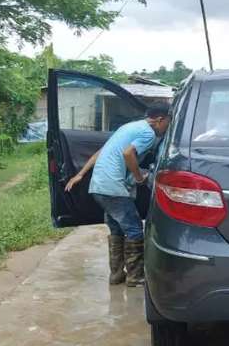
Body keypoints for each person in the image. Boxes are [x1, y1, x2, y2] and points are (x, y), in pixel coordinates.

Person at [64, 106, 171, 286]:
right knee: (135, 229)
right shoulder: (148, 134)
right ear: (160, 119)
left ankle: (116, 275)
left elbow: (101, 152)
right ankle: (135, 276)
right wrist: (139, 178)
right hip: (113, 187)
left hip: (99, 185)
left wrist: (81, 174)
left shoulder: (128, 127)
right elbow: (128, 153)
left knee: (117, 230)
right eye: (169, 122)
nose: (168, 127)